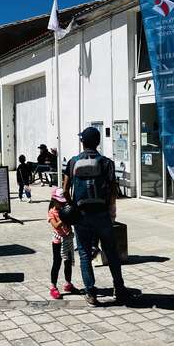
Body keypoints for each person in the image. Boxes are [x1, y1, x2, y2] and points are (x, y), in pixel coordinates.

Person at [63, 126, 131, 306]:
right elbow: (112, 191)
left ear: (82, 142)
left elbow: (64, 190)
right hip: (101, 214)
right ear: (98, 142)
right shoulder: (106, 163)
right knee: (111, 252)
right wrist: (111, 211)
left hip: (81, 215)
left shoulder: (73, 162)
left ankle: (91, 293)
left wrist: (72, 207)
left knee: (85, 254)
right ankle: (119, 288)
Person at [47, 188, 80, 299]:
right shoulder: (52, 212)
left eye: (63, 202)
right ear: (54, 201)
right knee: (57, 262)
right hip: (58, 241)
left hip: (68, 239)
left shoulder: (66, 209)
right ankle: (53, 286)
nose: (62, 204)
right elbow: (56, 225)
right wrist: (64, 217)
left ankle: (68, 283)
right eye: (60, 202)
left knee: (68, 262)